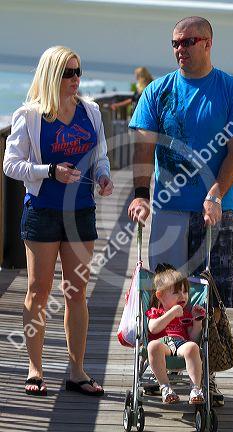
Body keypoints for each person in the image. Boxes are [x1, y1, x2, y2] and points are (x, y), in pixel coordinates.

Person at [128, 16, 233, 406]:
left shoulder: (232, 91)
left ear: (208, 44)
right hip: (169, 212)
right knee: (162, 295)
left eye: (188, 42)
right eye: (175, 44)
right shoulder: (158, 91)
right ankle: (157, 370)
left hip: (217, 212)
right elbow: (143, 148)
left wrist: (216, 192)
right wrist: (140, 194)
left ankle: (207, 375)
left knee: (210, 298)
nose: (180, 50)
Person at [3, 45, 113, 396]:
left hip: (81, 212)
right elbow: (11, 164)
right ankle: (35, 369)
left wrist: (104, 176)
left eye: (78, 72)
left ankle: (77, 371)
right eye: (68, 73)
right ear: (51, 75)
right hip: (43, 212)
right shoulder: (30, 115)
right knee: (38, 290)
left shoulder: (91, 111)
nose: (76, 79)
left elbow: (101, 155)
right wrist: (49, 171)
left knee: (77, 291)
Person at [146, 264, 205, 404]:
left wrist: (197, 322)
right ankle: (165, 387)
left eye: (185, 292)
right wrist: (171, 314)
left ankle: (196, 389)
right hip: (162, 344)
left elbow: (193, 338)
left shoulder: (186, 313)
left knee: (193, 347)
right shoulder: (157, 312)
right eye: (176, 292)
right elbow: (153, 329)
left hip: (181, 344)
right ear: (160, 295)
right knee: (153, 346)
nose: (182, 296)